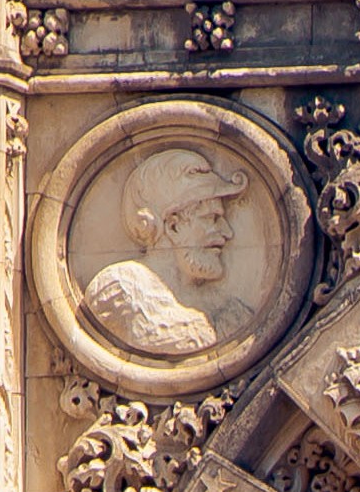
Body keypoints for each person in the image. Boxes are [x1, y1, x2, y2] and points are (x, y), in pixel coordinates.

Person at [83, 146, 249, 357]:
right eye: (212, 218)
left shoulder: (228, 311)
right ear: (173, 227)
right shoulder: (120, 291)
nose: (227, 232)